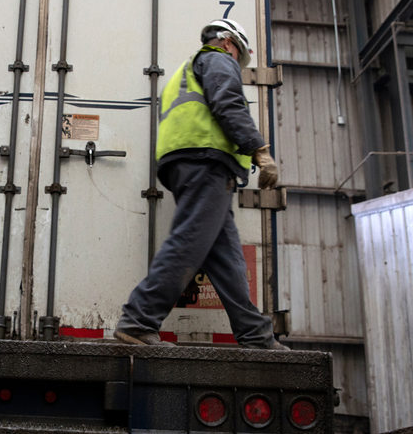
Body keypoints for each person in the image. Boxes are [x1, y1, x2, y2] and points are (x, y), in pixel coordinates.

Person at [114, 18, 287, 349]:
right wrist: (258, 150)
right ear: (226, 42)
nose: (236, 60)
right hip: (205, 162)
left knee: (226, 258)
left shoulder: (185, 73)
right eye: (237, 52)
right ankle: (138, 320)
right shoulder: (217, 59)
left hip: (191, 163)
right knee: (189, 242)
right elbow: (228, 103)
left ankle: (255, 335)